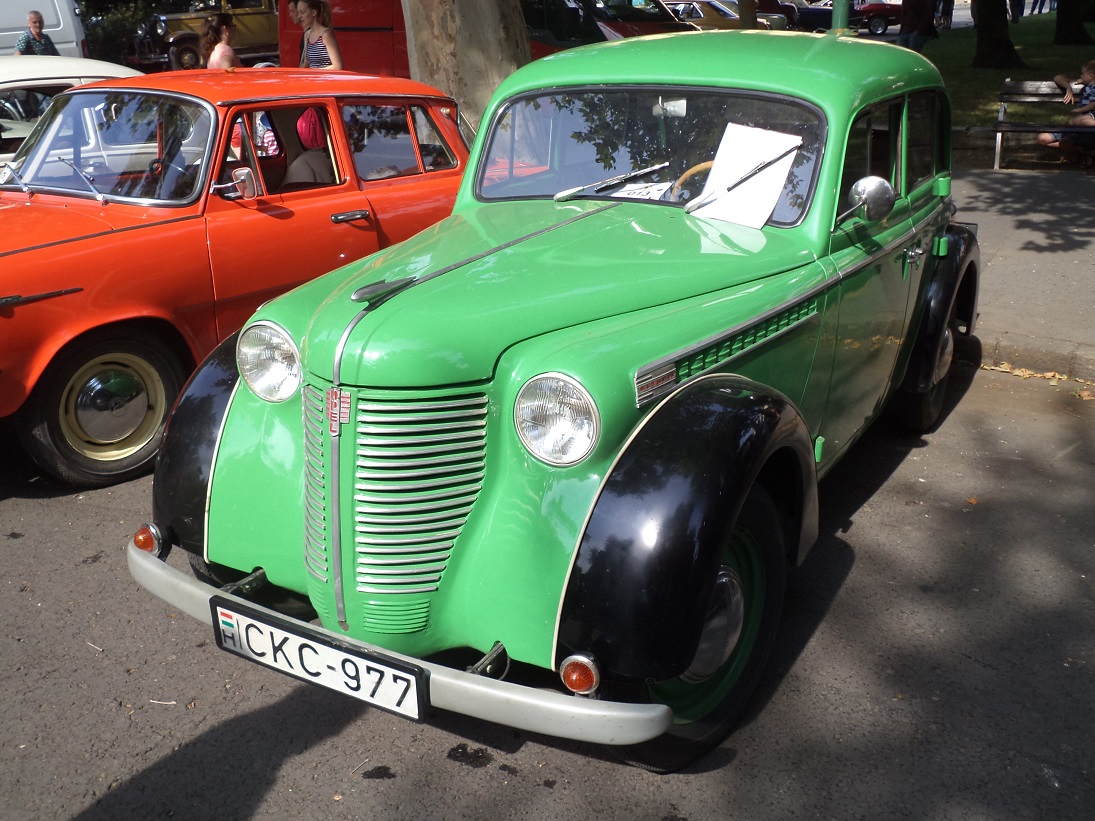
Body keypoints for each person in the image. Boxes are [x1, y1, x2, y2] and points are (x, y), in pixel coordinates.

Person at [1037, 62, 1095, 165]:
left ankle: (1084, 154)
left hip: (1088, 124)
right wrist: (1068, 87)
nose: (1080, 76)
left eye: (1082, 74)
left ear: (1090, 76)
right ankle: (1082, 153)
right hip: (1077, 126)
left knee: (1073, 125)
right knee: (1042, 139)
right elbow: (1057, 77)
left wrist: (1081, 110)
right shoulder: (1086, 83)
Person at [297, 0, 343, 70]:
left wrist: (314, 72)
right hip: (313, 79)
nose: (299, 16)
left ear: (313, 12)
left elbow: (337, 66)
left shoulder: (325, 34)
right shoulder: (307, 35)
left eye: (302, 12)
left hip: (325, 79)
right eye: (298, 13)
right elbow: (306, 63)